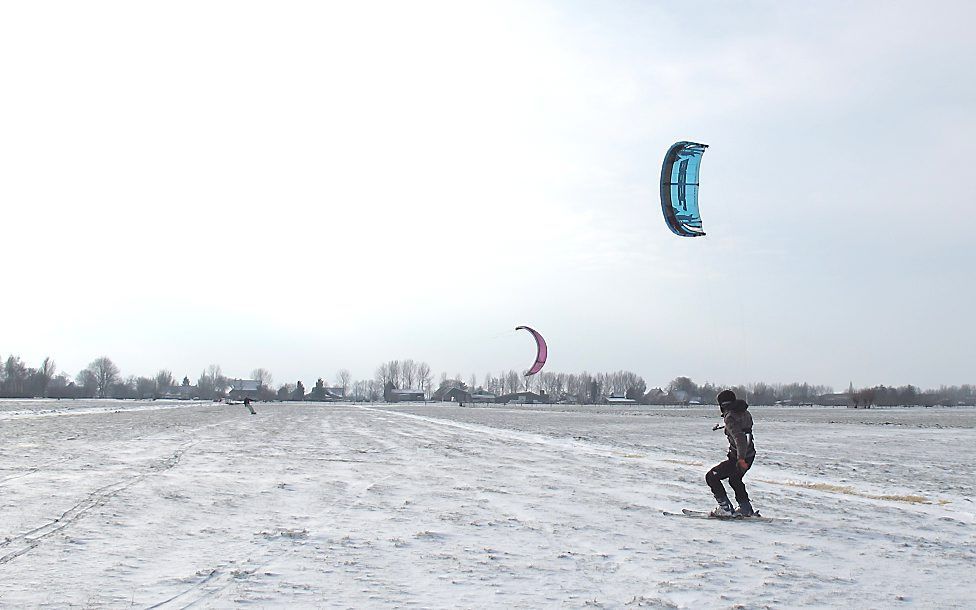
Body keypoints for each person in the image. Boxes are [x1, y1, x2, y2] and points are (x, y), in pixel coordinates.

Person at [706, 390, 756, 517]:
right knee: (735, 479)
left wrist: (740, 459)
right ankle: (746, 509)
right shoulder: (745, 413)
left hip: (739, 457)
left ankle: (725, 508)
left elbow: (740, 438)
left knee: (711, 477)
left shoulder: (730, 417)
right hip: (750, 455)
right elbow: (743, 428)